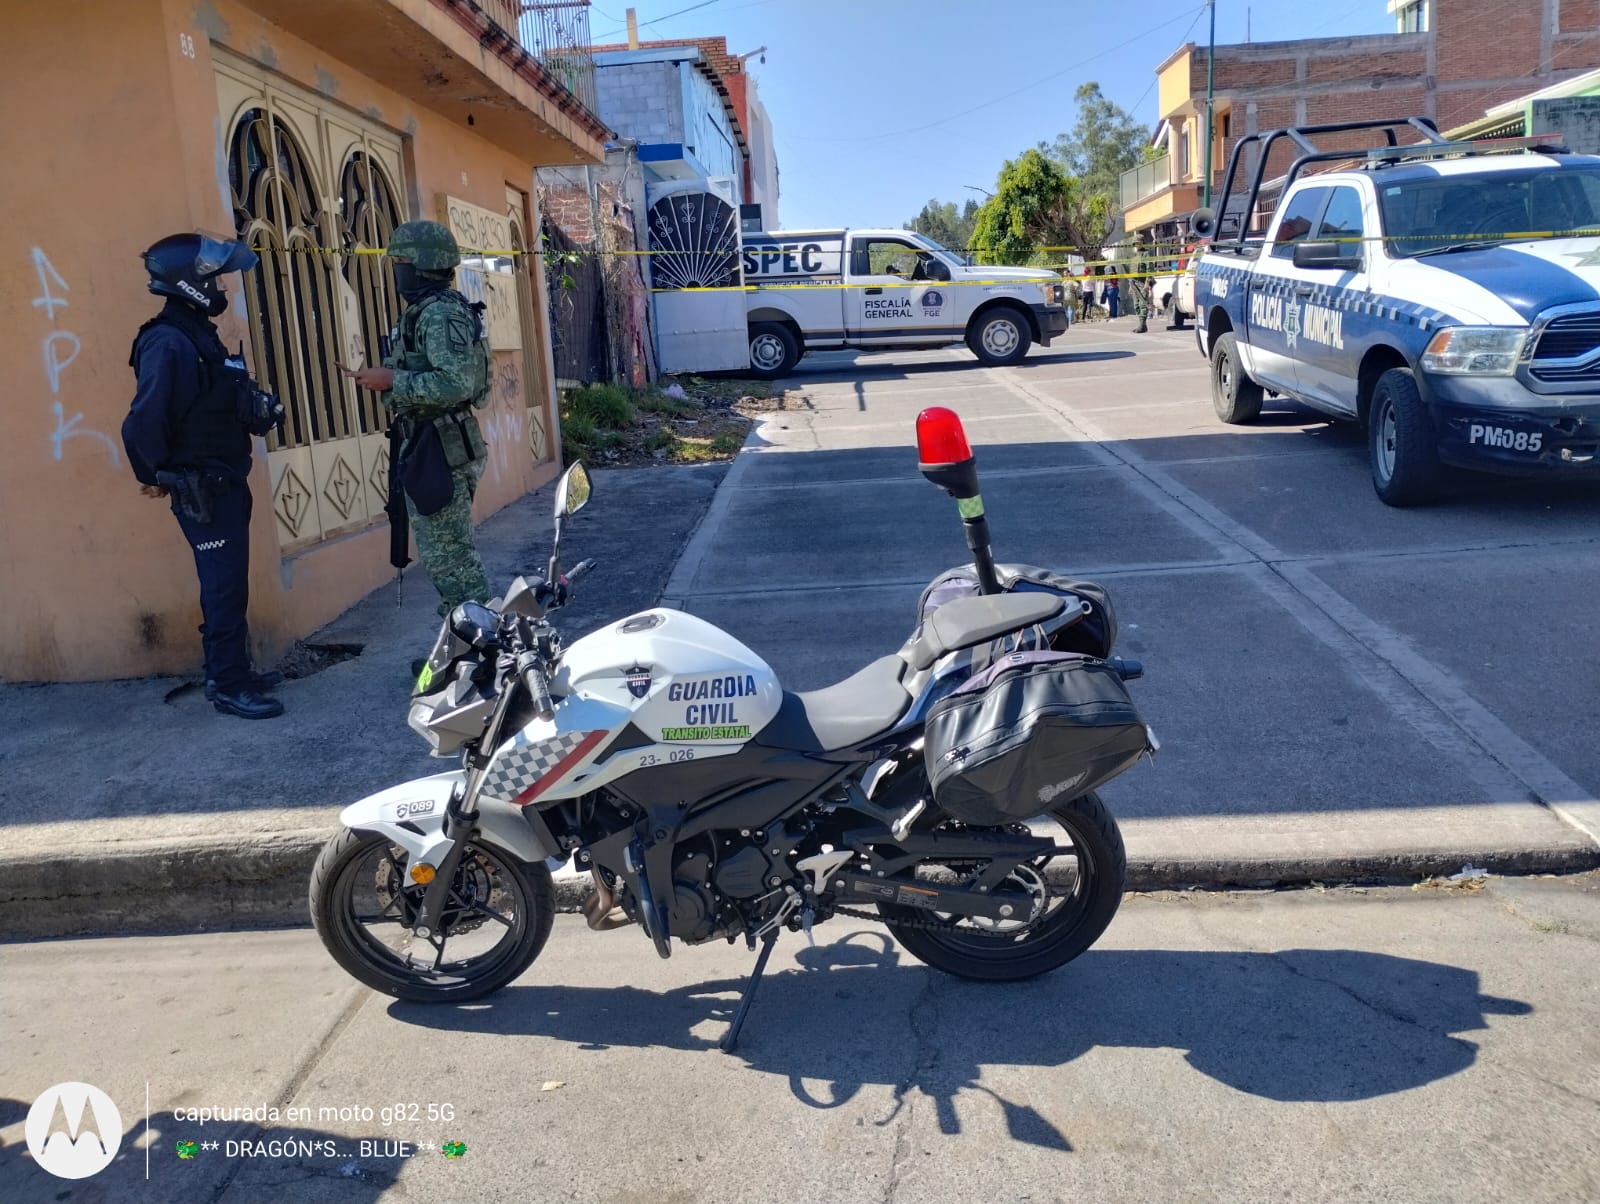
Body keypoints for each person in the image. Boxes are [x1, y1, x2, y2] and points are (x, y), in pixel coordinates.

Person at [122, 233, 285, 720]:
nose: (223, 287)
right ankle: (229, 685)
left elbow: (211, 401)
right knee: (221, 586)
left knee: (230, 583)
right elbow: (143, 420)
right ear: (188, 282)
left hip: (224, 478)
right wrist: (157, 473)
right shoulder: (166, 340)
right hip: (202, 486)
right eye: (214, 279)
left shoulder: (196, 333)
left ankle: (233, 670)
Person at [342, 220, 491, 618]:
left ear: (422, 265)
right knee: (446, 558)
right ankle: (465, 636)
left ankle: (483, 639)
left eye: (401, 262)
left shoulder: (440, 314)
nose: (397, 271)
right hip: (431, 442)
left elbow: (456, 384)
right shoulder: (428, 311)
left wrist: (393, 380)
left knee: (453, 560)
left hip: (441, 447)